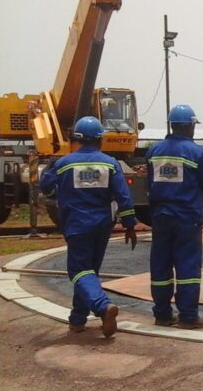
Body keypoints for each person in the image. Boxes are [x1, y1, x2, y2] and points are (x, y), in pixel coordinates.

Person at [39, 116, 138, 337]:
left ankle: (103, 307)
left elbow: (45, 185)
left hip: (76, 224)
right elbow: (123, 196)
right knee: (89, 272)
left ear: (77, 139)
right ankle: (77, 319)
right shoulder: (110, 163)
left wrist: (56, 194)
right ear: (100, 139)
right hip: (102, 224)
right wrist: (130, 224)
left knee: (78, 271)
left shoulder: (64, 163)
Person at [145, 104, 203, 328]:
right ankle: (188, 316)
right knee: (188, 267)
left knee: (160, 265)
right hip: (187, 218)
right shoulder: (197, 153)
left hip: (160, 216)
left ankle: (162, 314)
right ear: (189, 126)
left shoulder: (153, 151)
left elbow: (149, 184)